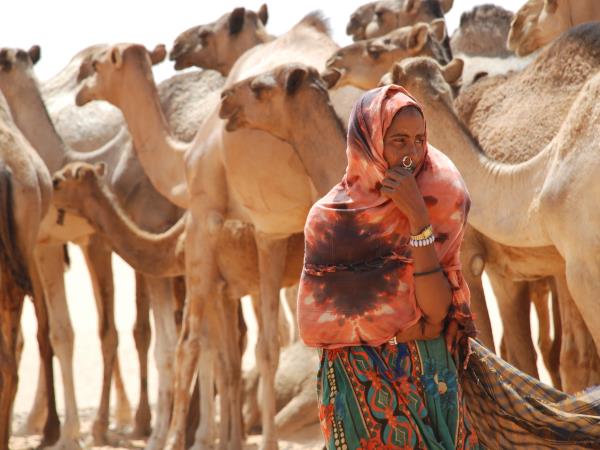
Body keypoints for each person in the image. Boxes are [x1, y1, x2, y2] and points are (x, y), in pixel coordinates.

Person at [297, 85, 600, 449]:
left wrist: (417, 220)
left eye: (419, 140)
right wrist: (392, 328)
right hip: (357, 382)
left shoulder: (440, 198)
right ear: (369, 140)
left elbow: (438, 313)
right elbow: (318, 323)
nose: (411, 154)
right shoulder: (329, 219)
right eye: (399, 141)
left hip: (430, 380)